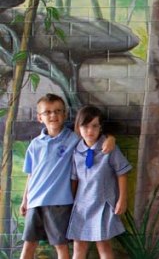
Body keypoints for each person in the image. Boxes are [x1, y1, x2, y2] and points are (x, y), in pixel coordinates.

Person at [20, 94, 115, 259]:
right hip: (34, 201)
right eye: (47, 112)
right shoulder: (35, 144)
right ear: (39, 117)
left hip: (60, 202)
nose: (53, 115)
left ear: (64, 114)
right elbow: (31, 174)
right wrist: (25, 200)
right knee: (28, 245)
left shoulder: (74, 139)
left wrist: (111, 138)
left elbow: (94, 136)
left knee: (61, 247)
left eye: (57, 111)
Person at [66, 105, 132, 259]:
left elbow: (122, 173)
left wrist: (122, 199)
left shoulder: (109, 148)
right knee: (79, 246)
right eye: (85, 126)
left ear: (101, 127)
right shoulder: (76, 150)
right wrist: (71, 203)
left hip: (102, 203)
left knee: (103, 245)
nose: (90, 131)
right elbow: (74, 179)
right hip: (81, 205)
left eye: (95, 126)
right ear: (78, 127)